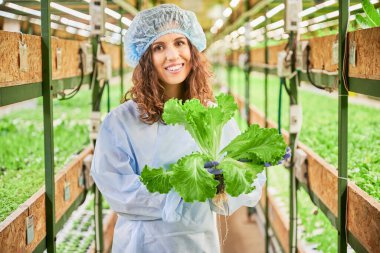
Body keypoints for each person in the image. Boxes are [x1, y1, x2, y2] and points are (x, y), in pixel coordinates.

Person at [91, 4, 266, 253]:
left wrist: (230, 178)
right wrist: (181, 190)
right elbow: (119, 190)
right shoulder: (120, 122)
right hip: (141, 243)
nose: (172, 55)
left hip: (198, 242)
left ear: (192, 49)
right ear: (144, 57)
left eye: (179, 43)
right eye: (158, 47)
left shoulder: (211, 114)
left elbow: (247, 185)